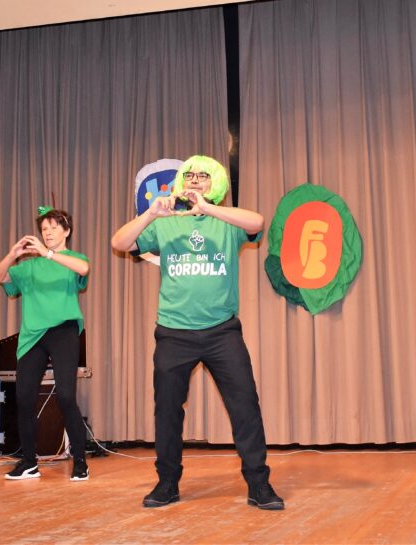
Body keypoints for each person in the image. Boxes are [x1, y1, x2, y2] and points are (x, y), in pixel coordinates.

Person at [110, 154, 283, 510]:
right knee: (168, 412)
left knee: (245, 407)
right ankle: (167, 483)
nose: (194, 180)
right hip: (173, 333)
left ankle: (259, 484)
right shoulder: (165, 224)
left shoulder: (227, 222)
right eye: (189, 175)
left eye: (203, 176)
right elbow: (120, 243)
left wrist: (208, 208)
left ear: (215, 183)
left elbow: (257, 221)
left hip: (222, 333)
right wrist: (150, 214)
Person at [0, 207, 91, 481]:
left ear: (66, 231)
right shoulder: (29, 266)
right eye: (44, 229)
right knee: (24, 398)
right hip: (32, 335)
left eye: (53, 228)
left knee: (66, 396)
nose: (47, 233)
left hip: (63, 331)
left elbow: (84, 269)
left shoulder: (73, 259)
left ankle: (80, 462)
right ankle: (29, 463)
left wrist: (48, 253)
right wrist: (13, 254)